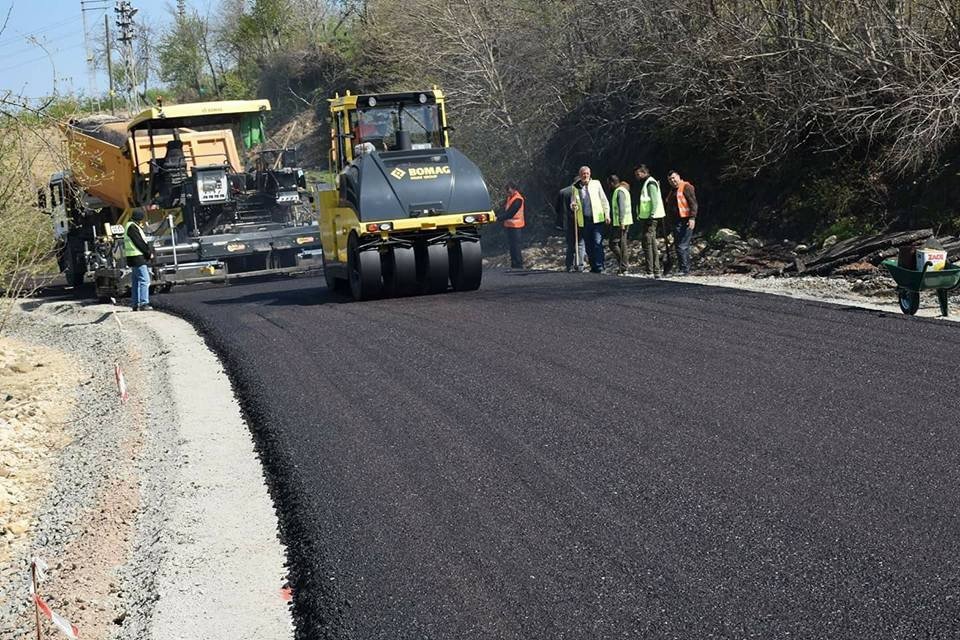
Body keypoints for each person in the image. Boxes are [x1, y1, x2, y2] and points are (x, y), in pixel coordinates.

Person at [570, 166, 610, 273]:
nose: (585, 175)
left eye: (587, 173)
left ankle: (600, 266)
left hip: (597, 219)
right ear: (580, 175)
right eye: (583, 173)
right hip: (584, 220)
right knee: (588, 244)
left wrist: (607, 215)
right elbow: (573, 202)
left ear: (590, 174)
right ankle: (593, 266)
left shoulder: (596, 184)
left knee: (597, 242)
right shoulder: (576, 187)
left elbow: (604, 200)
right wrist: (573, 205)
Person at [634, 165, 666, 277]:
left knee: (648, 243)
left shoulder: (650, 183)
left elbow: (654, 200)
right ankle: (655, 270)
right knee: (651, 243)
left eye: (638, 174)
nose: (637, 176)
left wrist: (651, 215)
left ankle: (651, 271)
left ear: (644, 172)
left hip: (651, 218)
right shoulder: (646, 183)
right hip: (647, 217)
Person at [665, 169, 698, 275]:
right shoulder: (672, 191)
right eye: (670, 179)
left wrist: (692, 218)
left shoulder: (686, 187)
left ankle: (684, 269)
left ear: (678, 177)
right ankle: (683, 268)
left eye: (674, 178)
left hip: (685, 220)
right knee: (680, 245)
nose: (672, 181)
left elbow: (693, 203)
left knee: (682, 245)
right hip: (676, 222)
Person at [125, 209, 154, 311]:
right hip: (137, 258)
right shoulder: (132, 227)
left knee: (136, 282)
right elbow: (139, 242)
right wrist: (148, 253)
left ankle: (135, 304)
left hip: (133, 258)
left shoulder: (131, 226)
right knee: (145, 280)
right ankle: (144, 303)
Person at [555, 179, 585, 272]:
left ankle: (569, 265)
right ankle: (580, 265)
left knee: (570, 244)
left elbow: (557, 208)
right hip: (579, 221)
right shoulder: (581, 192)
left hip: (567, 221)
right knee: (580, 243)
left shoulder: (563, 192)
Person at [606, 175, 632, 274]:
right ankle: (624, 267)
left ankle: (624, 264)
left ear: (612, 183)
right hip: (625, 221)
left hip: (621, 222)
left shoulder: (619, 191)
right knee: (622, 244)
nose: (609, 186)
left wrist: (621, 221)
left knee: (613, 243)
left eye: (609, 184)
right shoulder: (624, 190)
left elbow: (621, 207)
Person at [500, 182, 525, 269]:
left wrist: (498, 218)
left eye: (509, 190)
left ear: (514, 189)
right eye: (507, 191)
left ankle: (518, 265)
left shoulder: (518, 199)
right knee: (512, 247)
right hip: (510, 226)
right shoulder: (510, 198)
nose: (507, 192)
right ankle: (514, 265)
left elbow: (510, 213)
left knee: (516, 247)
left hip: (516, 226)